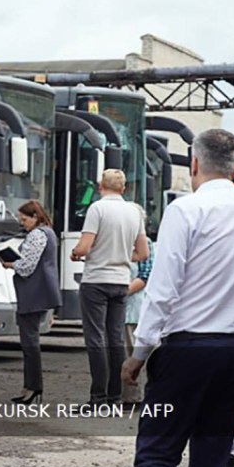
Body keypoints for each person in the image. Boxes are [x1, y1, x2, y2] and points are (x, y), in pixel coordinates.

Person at [122, 128, 234, 467]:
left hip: (186, 352)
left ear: (194, 166)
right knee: (210, 464)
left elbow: (164, 288)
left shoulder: (185, 210)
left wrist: (139, 352)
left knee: (154, 457)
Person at [71, 169, 149, 405]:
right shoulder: (134, 211)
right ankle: (116, 395)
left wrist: (75, 253)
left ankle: (98, 396)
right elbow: (143, 253)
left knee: (95, 338)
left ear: (99, 186)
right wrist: (122, 255)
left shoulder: (98, 208)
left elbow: (84, 248)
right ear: (123, 188)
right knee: (115, 338)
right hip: (120, 281)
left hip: (96, 280)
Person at [2, 200, 60, 404]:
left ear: (35, 217)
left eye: (25, 219)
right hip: (41, 293)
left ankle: (33, 387)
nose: (22, 223)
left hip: (33, 294)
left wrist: (10, 263)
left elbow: (27, 266)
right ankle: (31, 387)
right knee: (30, 341)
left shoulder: (37, 235)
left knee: (29, 343)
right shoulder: (49, 233)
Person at [122, 236, 155, 404]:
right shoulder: (120, 238)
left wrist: (120, 292)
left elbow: (145, 275)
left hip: (134, 306)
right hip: (119, 308)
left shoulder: (145, 243)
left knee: (133, 352)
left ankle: (134, 397)